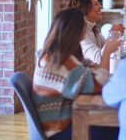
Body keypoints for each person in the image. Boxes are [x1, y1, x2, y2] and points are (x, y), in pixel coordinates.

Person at [32, 8, 120, 139]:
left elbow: (83, 73)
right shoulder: (61, 61)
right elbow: (97, 85)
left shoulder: (53, 54)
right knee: (116, 126)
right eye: (84, 26)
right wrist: (107, 51)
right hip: (59, 129)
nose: (86, 30)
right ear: (76, 30)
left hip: (57, 122)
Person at [67, 0, 125, 64]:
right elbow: (99, 58)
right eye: (96, 4)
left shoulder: (94, 30)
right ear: (85, 8)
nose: (100, 6)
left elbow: (111, 48)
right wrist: (113, 35)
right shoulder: (79, 34)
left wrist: (116, 36)